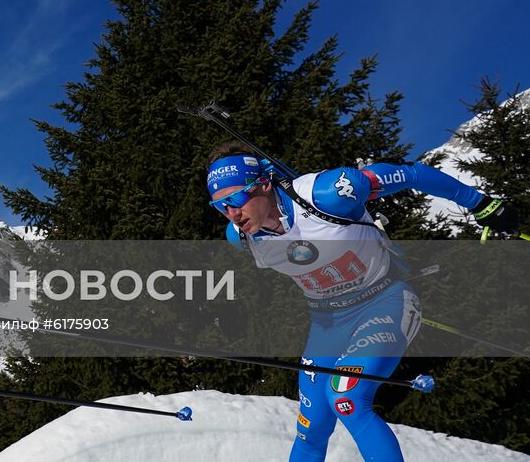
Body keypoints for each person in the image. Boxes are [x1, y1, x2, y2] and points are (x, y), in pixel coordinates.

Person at [205, 140, 519, 462]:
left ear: (264, 183)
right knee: (311, 429)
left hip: (384, 300)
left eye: (236, 198)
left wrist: (479, 203)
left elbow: (407, 174)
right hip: (327, 323)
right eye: (220, 206)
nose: (232, 213)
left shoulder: (329, 194)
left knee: (347, 398)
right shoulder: (242, 238)